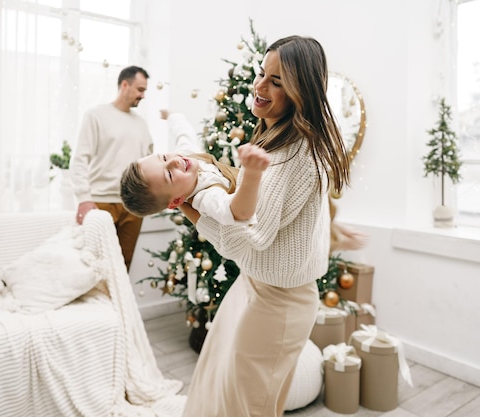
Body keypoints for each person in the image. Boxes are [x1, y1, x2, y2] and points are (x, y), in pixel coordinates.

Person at [179, 36, 352, 417]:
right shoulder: (279, 139)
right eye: (262, 73)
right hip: (255, 285)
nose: (260, 86)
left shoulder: (292, 152)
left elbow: (249, 239)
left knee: (246, 405)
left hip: (278, 301)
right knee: (216, 384)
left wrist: (189, 208)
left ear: (300, 91)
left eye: (277, 81)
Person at [120, 111, 270, 226]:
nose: (174, 162)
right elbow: (240, 212)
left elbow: (184, 133)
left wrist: (171, 116)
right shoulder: (205, 197)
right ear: (177, 200)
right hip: (268, 205)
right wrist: (252, 173)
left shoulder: (187, 155)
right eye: (169, 175)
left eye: (164, 157)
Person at [69, 65, 153, 271]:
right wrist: (84, 198)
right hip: (100, 203)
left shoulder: (141, 124)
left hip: (133, 207)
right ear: (125, 85)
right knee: (92, 266)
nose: (142, 95)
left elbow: (149, 163)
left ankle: (119, 305)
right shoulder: (96, 116)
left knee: (123, 267)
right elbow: (80, 159)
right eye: (140, 89)